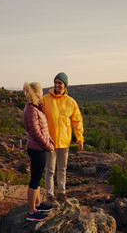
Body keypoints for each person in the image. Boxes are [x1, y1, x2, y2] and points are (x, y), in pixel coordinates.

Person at [43, 72, 84, 207]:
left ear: (65, 85)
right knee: (50, 170)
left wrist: (79, 139)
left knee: (62, 169)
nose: (57, 85)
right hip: (50, 142)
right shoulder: (45, 99)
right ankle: (50, 196)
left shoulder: (71, 102)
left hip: (64, 142)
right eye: (55, 82)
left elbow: (77, 121)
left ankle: (61, 193)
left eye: (60, 83)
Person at [23, 82, 55, 221]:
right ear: (36, 92)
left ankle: (38, 204)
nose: (42, 93)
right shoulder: (31, 109)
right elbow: (36, 133)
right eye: (41, 91)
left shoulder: (35, 107)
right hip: (37, 149)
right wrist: (48, 145)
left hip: (38, 148)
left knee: (37, 178)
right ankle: (31, 213)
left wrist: (50, 139)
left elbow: (42, 129)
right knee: (34, 181)